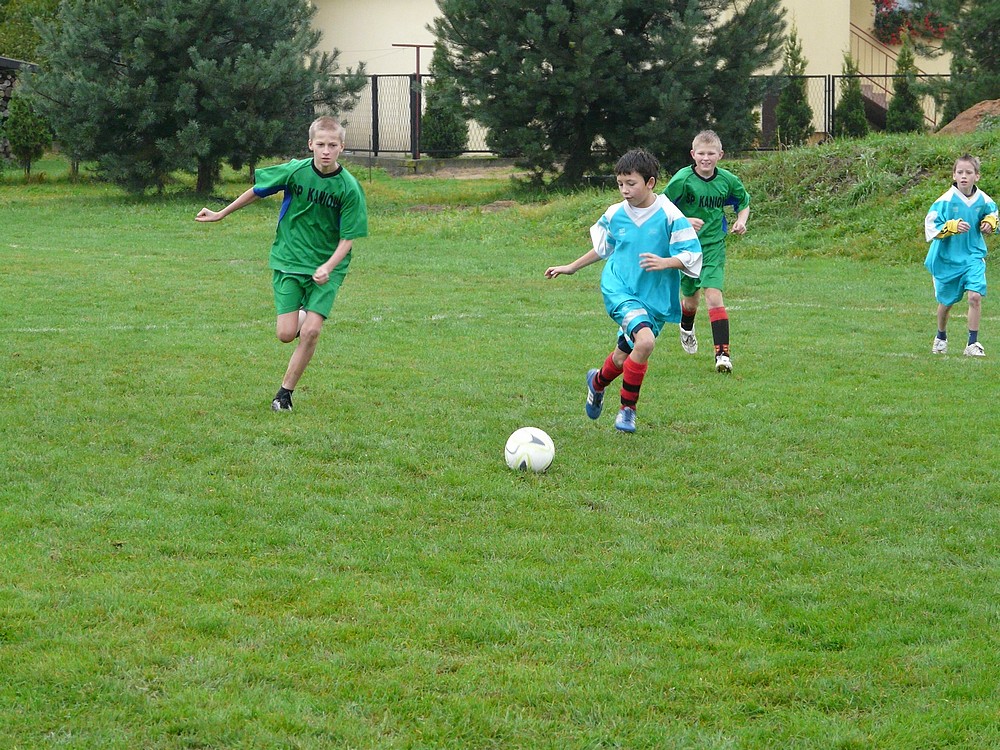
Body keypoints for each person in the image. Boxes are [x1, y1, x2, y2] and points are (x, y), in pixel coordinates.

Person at [195, 116, 368, 410]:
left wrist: (328, 266)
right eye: (321, 144)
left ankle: (284, 394)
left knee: (312, 331)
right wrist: (221, 213)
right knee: (286, 334)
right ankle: (304, 315)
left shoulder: (349, 188)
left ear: (342, 147)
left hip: (327, 268)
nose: (326, 151)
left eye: (332, 145)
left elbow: (348, 238)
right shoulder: (295, 171)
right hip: (289, 260)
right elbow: (258, 190)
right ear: (310, 144)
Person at [545, 148, 702, 433]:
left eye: (631, 183)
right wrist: (571, 266)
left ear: (650, 182)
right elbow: (603, 248)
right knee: (645, 342)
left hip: (653, 298)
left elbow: (691, 254)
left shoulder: (669, 214)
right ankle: (627, 410)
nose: (625, 190)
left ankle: (597, 382)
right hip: (619, 287)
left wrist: (666, 262)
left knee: (622, 357)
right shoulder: (615, 214)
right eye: (620, 184)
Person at [664, 129, 750, 373]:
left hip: (714, 246)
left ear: (720, 155)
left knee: (713, 296)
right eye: (701, 153)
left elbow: (743, 202)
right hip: (686, 247)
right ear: (693, 154)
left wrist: (741, 220)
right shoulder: (682, 179)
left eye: (711, 153)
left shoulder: (727, 180)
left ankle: (722, 355)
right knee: (691, 301)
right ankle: (686, 325)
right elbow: (661, 209)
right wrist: (684, 221)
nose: (706, 158)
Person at [925, 154, 998, 357]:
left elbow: (993, 214)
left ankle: (972, 344)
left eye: (968, 172)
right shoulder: (944, 201)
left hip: (973, 256)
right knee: (946, 303)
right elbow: (931, 226)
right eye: (960, 172)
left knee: (975, 296)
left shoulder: (984, 200)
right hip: (947, 259)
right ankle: (941, 336)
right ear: (954, 175)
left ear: (977, 176)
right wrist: (951, 226)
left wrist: (990, 222)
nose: (964, 176)